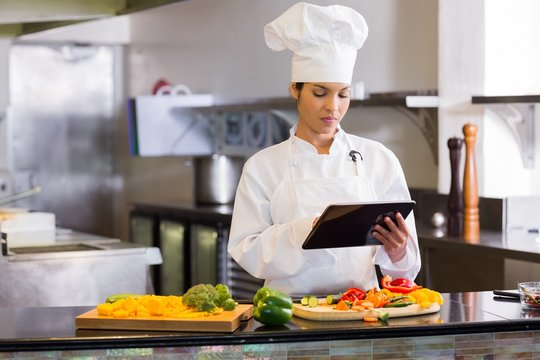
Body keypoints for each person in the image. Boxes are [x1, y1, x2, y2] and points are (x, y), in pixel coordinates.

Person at [228, 2, 420, 295]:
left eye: (343, 94)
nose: (333, 106)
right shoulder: (262, 166)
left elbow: (405, 269)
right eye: (320, 93)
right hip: (286, 313)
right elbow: (245, 249)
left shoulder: (379, 160)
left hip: (361, 309)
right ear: (295, 88)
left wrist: (397, 250)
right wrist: (305, 230)